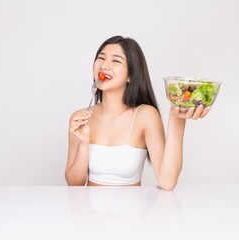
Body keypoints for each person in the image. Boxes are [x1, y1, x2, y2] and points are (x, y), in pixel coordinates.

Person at [65, 35, 210, 190]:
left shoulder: (145, 116)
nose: (104, 65)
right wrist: (83, 143)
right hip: (89, 213)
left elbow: (167, 182)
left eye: (116, 60)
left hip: (134, 213)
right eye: (101, 58)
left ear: (131, 76)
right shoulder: (81, 118)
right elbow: (74, 183)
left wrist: (177, 119)